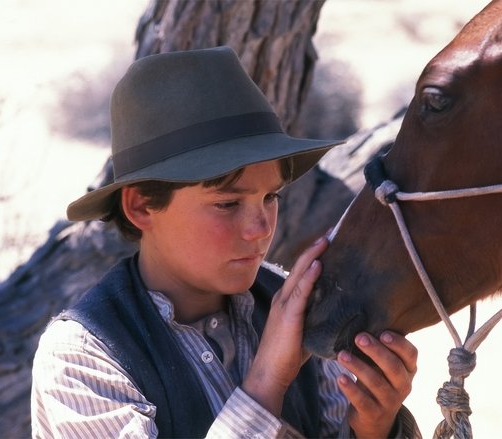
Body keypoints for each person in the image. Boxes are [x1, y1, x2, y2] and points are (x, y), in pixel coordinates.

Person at [31, 46, 421, 439]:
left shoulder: (296, 307)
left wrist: (375, 426)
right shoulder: (82, 357)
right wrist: (269, 378)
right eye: (227, 203)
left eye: (270, 197)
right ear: (142, 206)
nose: (259, 228)